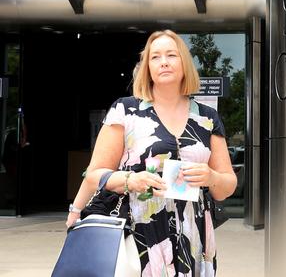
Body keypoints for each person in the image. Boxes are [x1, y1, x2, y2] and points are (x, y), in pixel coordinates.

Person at [66, 30, 237, 276]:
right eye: (155, 57)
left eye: (171, 55)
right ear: (147, 67)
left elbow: (227, 184)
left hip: (194, 234)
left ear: (184, 64)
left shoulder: (207, 117)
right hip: (139, 230)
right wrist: (130, 180)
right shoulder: (126, 110)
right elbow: (94, 174)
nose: (164, 61)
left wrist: (211, 177)